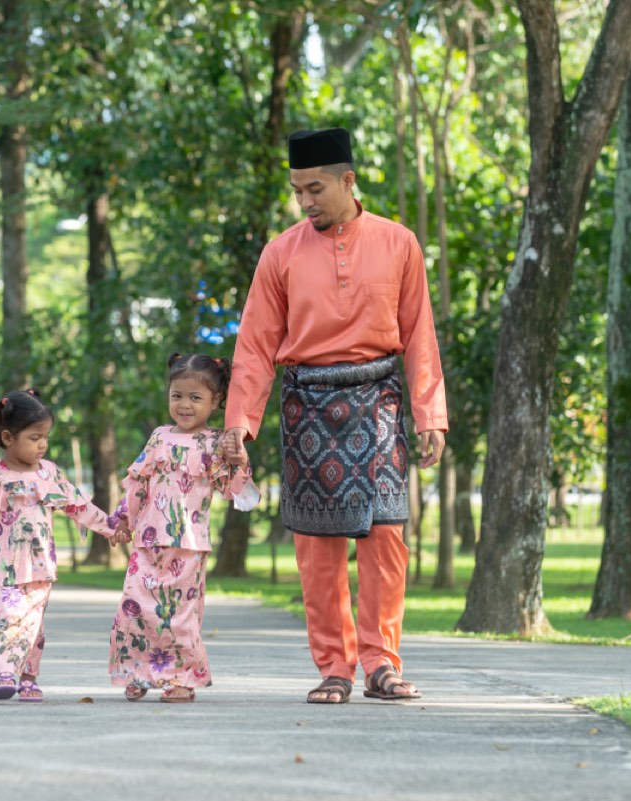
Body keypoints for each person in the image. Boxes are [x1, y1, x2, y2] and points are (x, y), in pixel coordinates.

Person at [221, 128, 448, 705]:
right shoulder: (281, 252)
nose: (306, 201)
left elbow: (420, 332)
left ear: (349, 181)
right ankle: (334, 667)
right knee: (317, 548)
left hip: (379, 402)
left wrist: (430, 413)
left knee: (387, 537)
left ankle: (381, 663)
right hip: (308, 406)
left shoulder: (400, 243)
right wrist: (238, 426)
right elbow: (255, 344)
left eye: (315, 188)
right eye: (298, 191)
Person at [0, 390, 125, 702]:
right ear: (8, 437)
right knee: (4, 617)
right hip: (4, 565)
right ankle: (4, 673)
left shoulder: (49, 473)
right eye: (35, 437)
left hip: (40, 565)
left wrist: (111, 528)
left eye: (45, 437)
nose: (42, 444)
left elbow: (79, 505)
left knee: (34, 624)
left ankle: (29, 677)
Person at [107, 353, 260, 703]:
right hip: (147, 542)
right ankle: (139, 671)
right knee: (135, 608)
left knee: (179, 616)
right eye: (177, 395)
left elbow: (239, 493)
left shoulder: (216, 444)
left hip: (188, 546)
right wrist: (121, 522)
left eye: (195, 397)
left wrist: (239, 462)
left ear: (215, 401)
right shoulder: (159, 438)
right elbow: (137, 484)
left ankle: (181, 679)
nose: (185, 405)